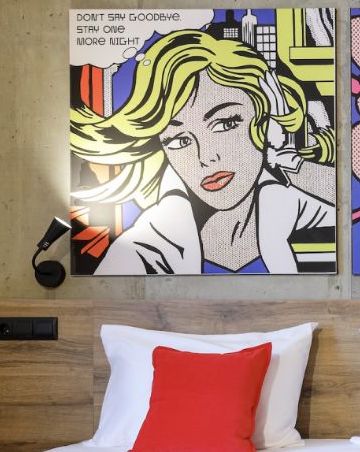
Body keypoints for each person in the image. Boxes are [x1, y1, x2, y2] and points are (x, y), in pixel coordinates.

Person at [71, 28, 335, 274]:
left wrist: (280, 148)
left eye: (226, 123)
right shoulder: (140, 252)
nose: (206, 158)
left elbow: (347, 200)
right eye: (179, 140)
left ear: (263, 120)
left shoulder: (302, 211)